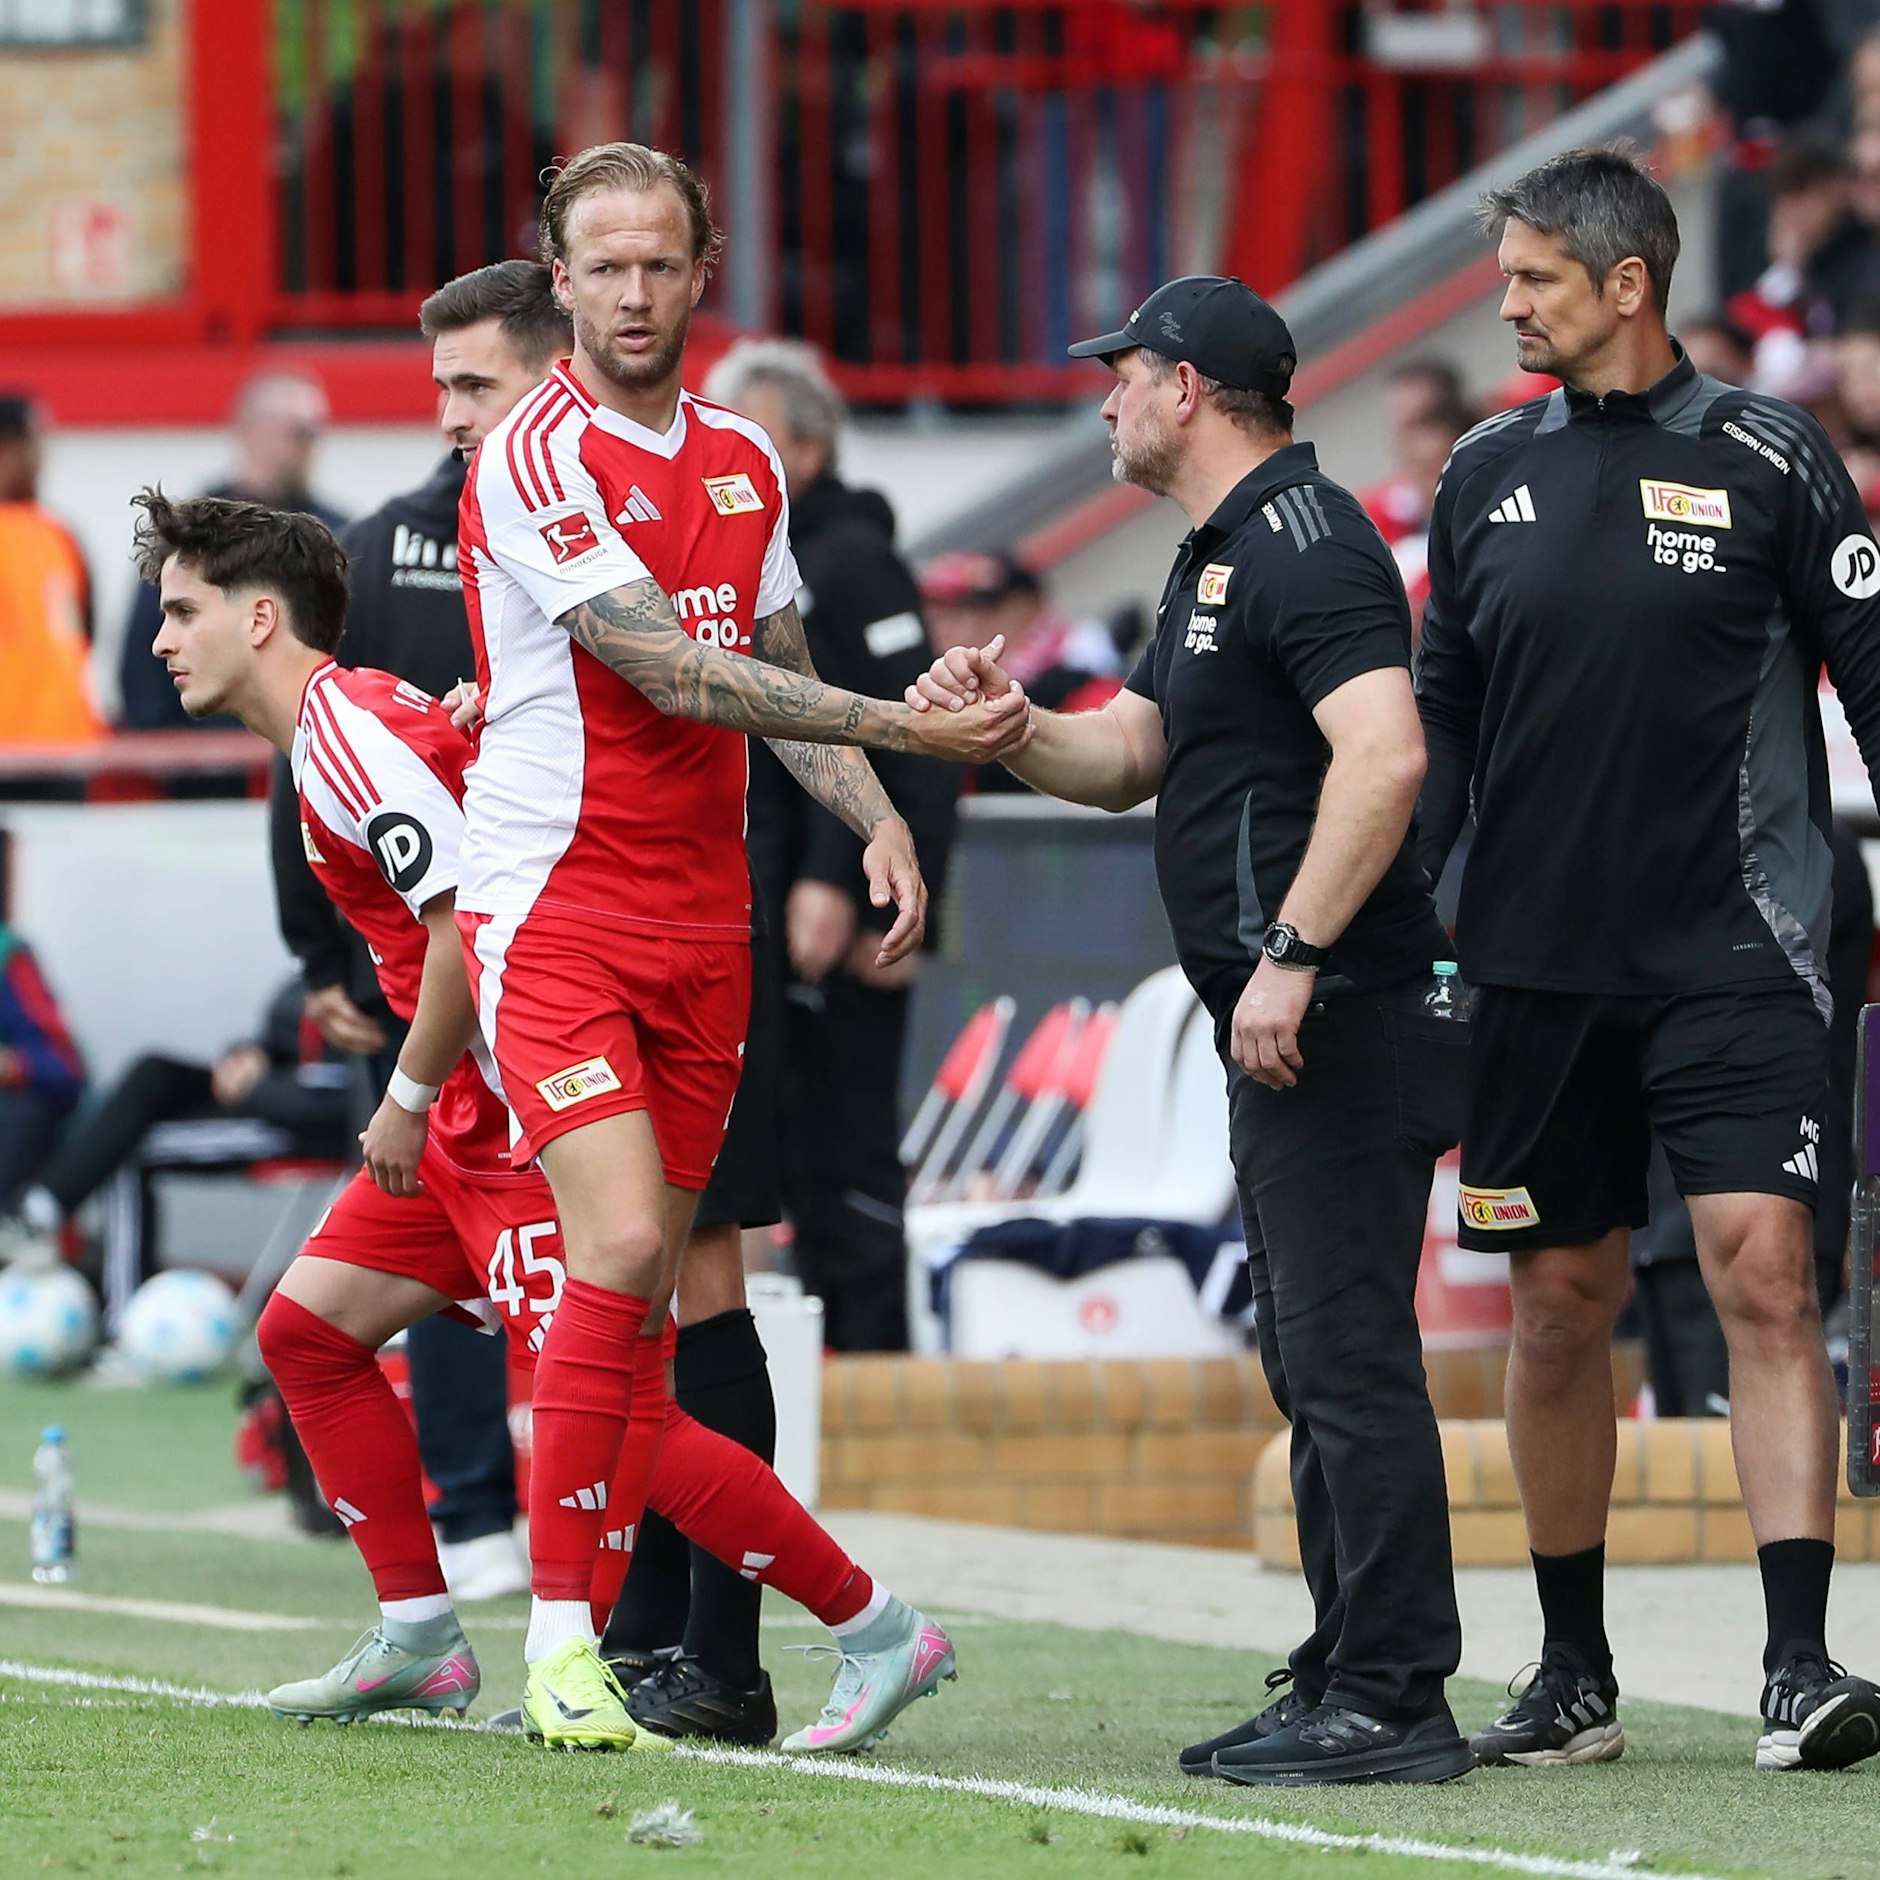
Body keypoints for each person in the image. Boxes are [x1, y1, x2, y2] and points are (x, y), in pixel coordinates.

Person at [137, 487, 973, 1751]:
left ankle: (872, 1626)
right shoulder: (347, 721)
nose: (161, 639)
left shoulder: (344, 729)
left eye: (182, 609)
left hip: (509, 1113)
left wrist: (407, 1100)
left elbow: (464, 930)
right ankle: (419, 1633)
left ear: (260, 617)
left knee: (631, 1416)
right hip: (468, 1119)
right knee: (307, 1332)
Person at [456, 139, 1019, 1749]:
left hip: (710, 928)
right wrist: (909, 736)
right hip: (554, 909)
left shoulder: (743, 459)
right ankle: (567, 1642)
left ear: (705, 275)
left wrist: (875, 810)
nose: (634, 293)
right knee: (624, 1252)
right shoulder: (531, 451)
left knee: (700, 1295)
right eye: (603, 266)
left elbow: (774, 660)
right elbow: (674, 675)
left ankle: (841, 1636)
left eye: (661, 263)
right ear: (559, 282)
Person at [908, 274, 1472, 1787]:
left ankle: (1398, 1691)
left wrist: (1293, 953)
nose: (1105, 399)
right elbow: (1132, 757)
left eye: (1126, 373)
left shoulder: (1308, 541)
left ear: (1195, 390)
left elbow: (1386, 753)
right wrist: (1016, 726)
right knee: (1306, 1355)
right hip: (1287, 1017)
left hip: (1338, 1010)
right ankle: (1346, 1660)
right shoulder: (1218, 556)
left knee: (1347, 1355)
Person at [1416, 144, 1880, 1773]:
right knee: (1560, 1303)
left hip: (1740, 950)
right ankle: (1571, 1671)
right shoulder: (1480, 469)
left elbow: (1874, 684)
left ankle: (1799, 1667)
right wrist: (1414, 908)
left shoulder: (1773, 453)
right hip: (1534, 970)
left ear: (1626, 285)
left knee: (1765, 1269)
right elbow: (1443, 721)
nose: (1511, 303)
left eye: (1534, 278)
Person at [264, 259, 577, 1607]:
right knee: (376, 1295)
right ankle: (457, 1546)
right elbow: (328, 767)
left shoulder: (610, 520)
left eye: (471, 383)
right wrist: (323, 959)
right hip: (447, 984)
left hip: (570, 970)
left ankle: (790, 1612)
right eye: (437, 385)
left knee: (622, 1324)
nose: (448, 412)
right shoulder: (396, 535)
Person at [703, 337, 961, 1352]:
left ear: (806, 448)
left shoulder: (850, 559)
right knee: (796, 1151)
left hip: (852, 913)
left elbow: (914, 744)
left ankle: (873, 1369)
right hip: (781, 902)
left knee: (847, 1151)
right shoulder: (746, 554)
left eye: (749, 432)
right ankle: (826, 1380)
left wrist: (872, 897)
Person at [3, 976, 350, 1297]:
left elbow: (347, 1094)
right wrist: (247, 1055)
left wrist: (255, 1087)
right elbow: (276, 1040)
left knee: (132, 1152)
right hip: (265, 1095)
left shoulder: (373, 974)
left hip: (308, 1125)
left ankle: (123, 1325)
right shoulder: (315, 964)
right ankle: (40, 1211)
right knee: (153, 1072)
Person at [120, 370, 345, 731]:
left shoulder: (334, 533)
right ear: (251, 431)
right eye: (299, 433)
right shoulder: (190, 534)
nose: (310, 448)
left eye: (315, 435)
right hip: (203, 756)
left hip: (308, 744)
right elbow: (144, 663)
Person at [0, 393, 100, 747]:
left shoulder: (59, 536)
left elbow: (83, 637)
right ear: (11, 448)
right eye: (37, 441)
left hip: (65, 744)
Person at [1357, 359, 1476, 628]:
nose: (1408, 444)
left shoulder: (1502, 510)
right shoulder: (1379, 520)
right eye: (1400, 427)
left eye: (1422, 424)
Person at [0, 914, 86, 1247]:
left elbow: (65, 1071)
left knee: (30, 1109)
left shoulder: (9, 961)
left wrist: (13, 1066)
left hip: (22, 1130)